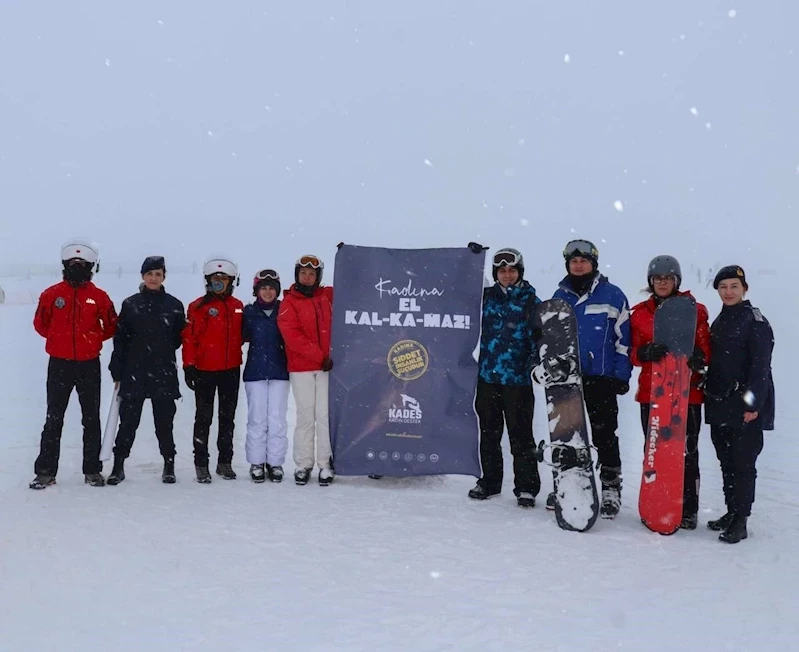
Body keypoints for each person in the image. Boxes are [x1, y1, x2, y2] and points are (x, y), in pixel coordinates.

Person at [540, 239, 632, 518]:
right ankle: (568, 485)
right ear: (568, 265)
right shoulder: (560, 296)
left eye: (584, 261)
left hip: (600, 379)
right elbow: (548, 338)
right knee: (568, 436)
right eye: (574, 261)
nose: (579, 265)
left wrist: (620, 375)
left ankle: (610, 488)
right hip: (567, 382)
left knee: (605, 435)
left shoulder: (612, 295)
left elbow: (623, 340)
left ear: (593, 263)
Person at [629, 255, 711, 529]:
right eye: (658, 278)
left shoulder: (694, 310)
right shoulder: (639, 313)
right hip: (652, 394)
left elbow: (705, 345)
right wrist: (643, 352)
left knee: (686, 451)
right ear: (650, 282)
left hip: (686, 394)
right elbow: (631, 352)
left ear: (676, 281)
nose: (662, 282)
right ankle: (657, 502)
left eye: (668, 278)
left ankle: (687, 508)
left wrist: (699, 356)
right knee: (655, 450)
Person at [30, 238, 117, 489]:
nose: (77, 267)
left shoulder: (99, 297)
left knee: (91, 419)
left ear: (91, 266)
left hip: (89, 365)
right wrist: (59, 340)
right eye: (73, 263)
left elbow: (111, 325)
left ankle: (92, 470)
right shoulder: (52, 294)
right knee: (53, 418)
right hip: (59, 364)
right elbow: (40, 324)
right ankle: (45, 471)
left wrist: (92, 340)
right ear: (65, 265)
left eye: (82, 263)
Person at [704, 265, 774, 543]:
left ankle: (741, 519)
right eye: (723, 287)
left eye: (734, 286)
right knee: (726, 461)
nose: (728, 292)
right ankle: (731, 511)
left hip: (745, 406)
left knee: (743, 464)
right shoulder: (721, 321)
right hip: (721, 403)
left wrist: (752, 405)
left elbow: (760, 368)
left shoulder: (755, 321)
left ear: (744, 289)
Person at [468, 248, 542, 508]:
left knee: (521, 437)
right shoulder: (486, 298)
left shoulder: (530, 301)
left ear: (519, 272)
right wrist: (468, 258)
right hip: (488, 377)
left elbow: (538, 339)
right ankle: (489, 482)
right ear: (496, 274)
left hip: (518, 381)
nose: (507, 275)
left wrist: (535, 365)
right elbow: (458, 291)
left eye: (512, 270)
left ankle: (526, 487)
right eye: (502, 271)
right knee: (489, 434)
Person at [107, 256, 186, 485]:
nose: (153, 278)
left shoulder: (174, 305)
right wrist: (117, 370)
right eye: (150, 274)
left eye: (158, 274)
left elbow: (177, 338)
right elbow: (120, 339)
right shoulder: (130, 304)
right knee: (128, 423)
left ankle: (169, 464)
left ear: (163, 277)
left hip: (163, 372)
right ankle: (118, 465)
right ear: (143, 276)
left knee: (164, 423)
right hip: (134, 372)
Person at [182, 256, 244, 483]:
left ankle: (224, 462)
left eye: (224, 278)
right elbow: (189, 339)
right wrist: (188, 366)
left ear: (232, 281)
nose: (219, 282)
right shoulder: (197, 307)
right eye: (215, 278)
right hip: (205, 371)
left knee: (227, 418)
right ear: (208, 280)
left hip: (231, 370)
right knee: (203, 418)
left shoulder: (238, 306)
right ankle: (201, 463)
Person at [277, 254, 335, 486]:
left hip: (327, 368)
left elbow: (354, 285)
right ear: (297, 275)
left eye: (312, 274)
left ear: (318, 276)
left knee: (324, 416)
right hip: (303, 368)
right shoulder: (289, 302)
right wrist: (320, 356)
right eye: (303, 273)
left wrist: (348, 255)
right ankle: (303, 464)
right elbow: (292, 336)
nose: (308, 277)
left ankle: (325, 463)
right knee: (305, 417)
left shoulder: (328, 296)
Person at [242, 269, 290, 483]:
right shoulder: (248, 312)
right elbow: (237, 336)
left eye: (272, 288)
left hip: (280, 371)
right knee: (257, 418)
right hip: (255, 372)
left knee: (277, 418)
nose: (268, 292)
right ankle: (256, 461)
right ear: (256, 291)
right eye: (264, 288)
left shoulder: (285, 310)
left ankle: (275, 462)